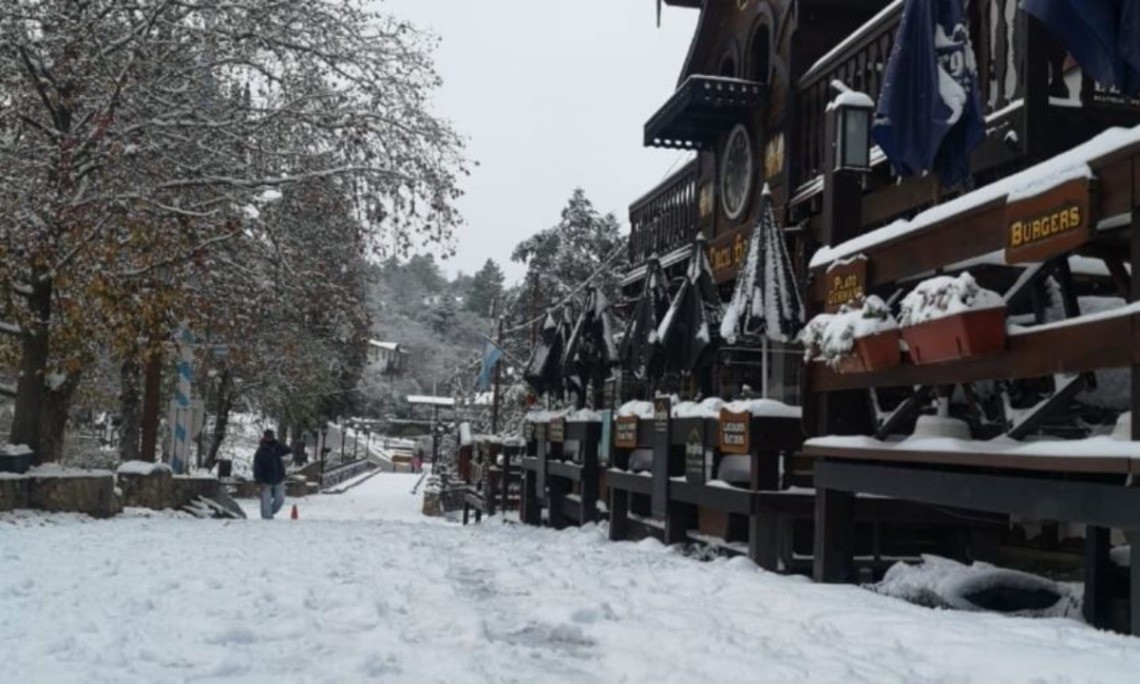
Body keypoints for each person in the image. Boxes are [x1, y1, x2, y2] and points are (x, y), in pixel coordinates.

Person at [253, 429, 292, 520]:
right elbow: (257, 467)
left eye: (271, 436)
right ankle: (267, 517)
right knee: (266, 500)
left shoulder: (278, 447)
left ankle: (270, 511)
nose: (269, 438)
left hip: (279, 477)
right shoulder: (260, 452)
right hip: (265, 479)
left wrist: (287, 459)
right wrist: (259, 480)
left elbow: (289, 452)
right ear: (264, 437)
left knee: (280, 500)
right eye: (267, 436)